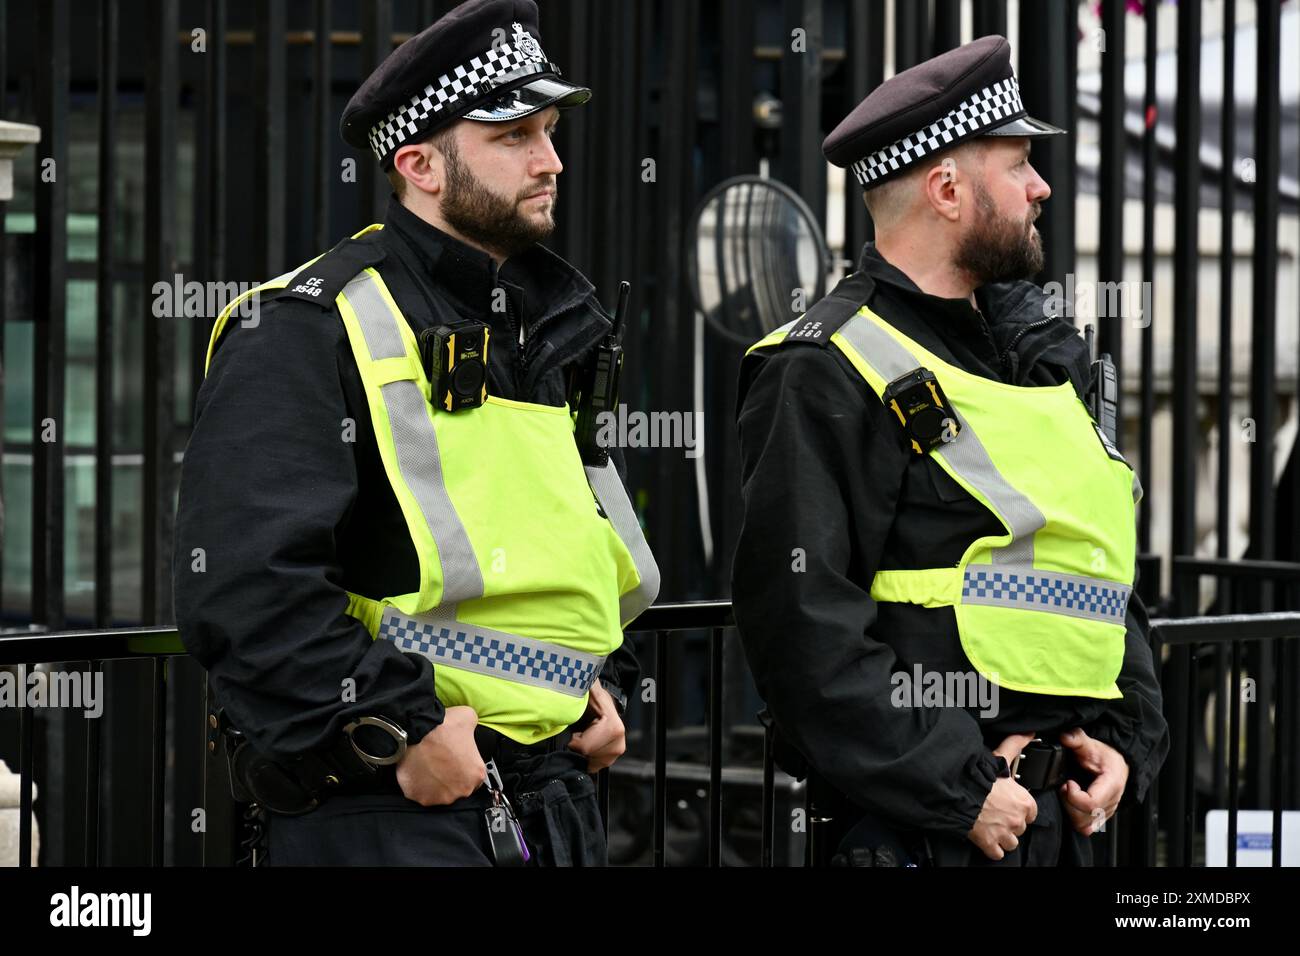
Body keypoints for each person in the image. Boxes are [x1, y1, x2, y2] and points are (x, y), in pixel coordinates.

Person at [174, 0, 658, 867]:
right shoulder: (303, 326)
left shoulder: (541, 326)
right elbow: (247, 594)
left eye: (550, 132)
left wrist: (594, 687)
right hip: (389, 814)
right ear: (419, 165)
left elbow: (561, 557)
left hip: (551, 802)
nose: (551, 161)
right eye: (514, 136)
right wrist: (401, 729)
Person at [731, 35, 1168, 867]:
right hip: (927, 833)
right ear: (946, 188)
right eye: (1018, 166)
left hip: (1063, 819)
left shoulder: (1042, 356)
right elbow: (800, 626)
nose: (1041, 188)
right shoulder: (822, 368)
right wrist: (956, 790)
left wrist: (1124, 740)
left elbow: (1097, 565)